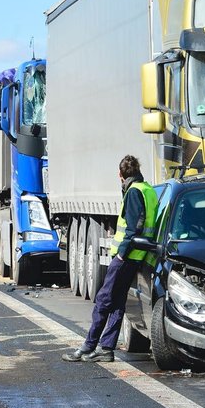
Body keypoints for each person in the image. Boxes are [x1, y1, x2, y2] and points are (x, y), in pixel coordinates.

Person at [62, 154, 157, 363]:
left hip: (127, 256)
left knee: (104, 299)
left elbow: (134, 227)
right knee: (117, 301)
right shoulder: (148, 190)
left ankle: (88, 346)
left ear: (120, 174)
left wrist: (122, 253)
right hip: (138, 255)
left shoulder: (133, 192)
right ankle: (106, 348)